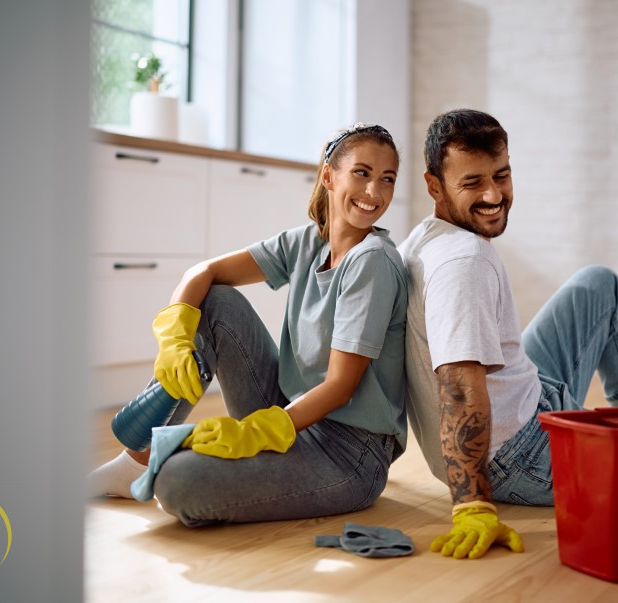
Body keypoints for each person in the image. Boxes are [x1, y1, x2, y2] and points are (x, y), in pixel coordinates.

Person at [88, 123, 409, 527]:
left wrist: (253, 433)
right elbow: (203, 272)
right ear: (329, 175)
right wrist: (173, 339)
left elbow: (340, 386)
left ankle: (164, 461)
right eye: (362, 173)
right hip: (290, 412)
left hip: (348, 452)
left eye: (388, 180)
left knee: (175, 484)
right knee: (215, 300)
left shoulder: (372, 261)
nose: (374, 193)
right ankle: (135, 459)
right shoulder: (310, 242)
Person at [398, 109, 618, 559]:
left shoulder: (421, 239)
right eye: (472, 182)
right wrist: (472, 504)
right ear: (434, 186)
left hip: (528, 400)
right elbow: (458, 386)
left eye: (502, 174)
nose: (494, 194)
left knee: (599, 285)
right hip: (519, 457)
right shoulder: (464, 263)